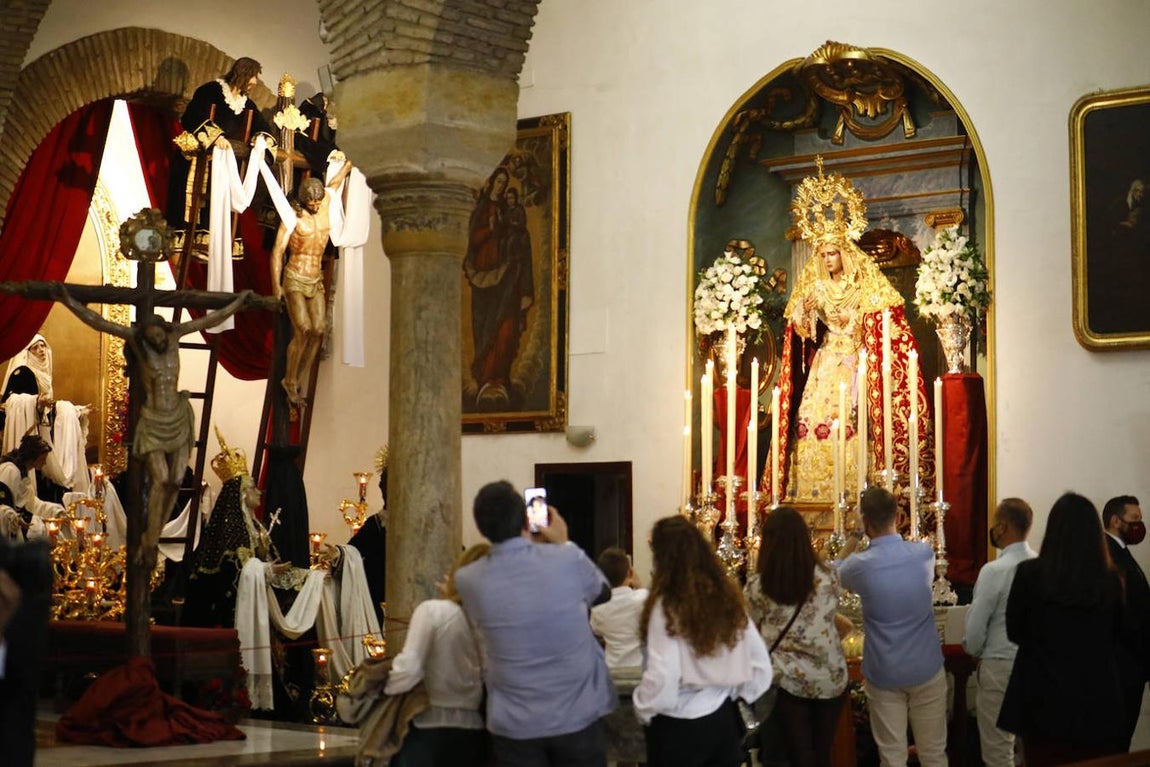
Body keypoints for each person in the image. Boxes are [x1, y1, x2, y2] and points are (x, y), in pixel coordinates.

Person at [55, 286, 253, 563]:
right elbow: (98, 321)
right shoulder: (138, 343)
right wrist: (67, 300)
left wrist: (238, 302)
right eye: (151, 336)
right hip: (153, 420)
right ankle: (151, 538)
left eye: (159, 333)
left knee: (174, 480)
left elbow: (207, 320)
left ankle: (154, 534)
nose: (157, 338)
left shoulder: (175, 337)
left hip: (179, 416)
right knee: (162, 477)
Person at [775, 162, 930, 502]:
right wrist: (803, 311)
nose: (828, 259)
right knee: (812, 419)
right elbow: (800, 331)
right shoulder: (816, 286)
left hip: (852, 364)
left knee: (849, 423)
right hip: (826, 363)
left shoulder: (863, 286)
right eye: (823, 254)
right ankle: (812, 495)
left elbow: (878, 324)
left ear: (844, 254)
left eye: (833, 253)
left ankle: (850, 490)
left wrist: (858, 350)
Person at [455, 480, 615, 766]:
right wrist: (561, 541)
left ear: (481, 528)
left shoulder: (468, 580)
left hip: (515, 722)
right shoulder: (566, 557)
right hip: (576, 713)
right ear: (525, 518)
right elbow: (602, 592)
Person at [632, 515, 772, 767]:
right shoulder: (728, 599)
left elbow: (663, 675)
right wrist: (735, 695)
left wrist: (643, 707)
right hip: (721, 722)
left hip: (676, 727)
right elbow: (761, 666)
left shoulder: (666, 606)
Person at [998, 492, 1126, 765]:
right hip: (1096, 697)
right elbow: (1117, 635)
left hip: (1041, 696)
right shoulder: (1110, 580)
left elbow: (1014, 631)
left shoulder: (1030, 574)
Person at [836, 486, 946, 767]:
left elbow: (831, 573)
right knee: (933, 753)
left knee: (892, 756)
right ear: (898, 515)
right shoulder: (924, 554)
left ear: (865, 520)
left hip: (884, 670)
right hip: (926, 666)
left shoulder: (860, 566)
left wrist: (855, 536)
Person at [745, 506, 848, 767]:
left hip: (786, 680)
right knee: (821, 754)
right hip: (829, 677)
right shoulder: (829, 578)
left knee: (795, 756)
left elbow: (752, 634)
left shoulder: (759, 586)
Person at [382, 543, 490, 766]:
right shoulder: (492, 622)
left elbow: (408, 671)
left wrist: (378, 690)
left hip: (429, 729)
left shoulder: (433, 611)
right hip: (474, 732)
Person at [270, 163, 353, 406]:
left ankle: (295, 380)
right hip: (295, 276)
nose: (316, 207)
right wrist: (276, 285)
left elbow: (337, 180)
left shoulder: (327, 200)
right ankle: (289, 378)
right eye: (312, 204)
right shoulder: (292, 217)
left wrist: (349, 162)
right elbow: (277, 252)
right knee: (304, 328)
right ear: (304, 201)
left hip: (315, 278)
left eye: (318, 202)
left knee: (319, 330)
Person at [962, 498, 1036, 767]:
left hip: (1000, 666)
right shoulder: (1041, 564)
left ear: (1002, 527)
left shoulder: (994, 570)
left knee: (998, 752)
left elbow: (976, 627)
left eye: (994, 524)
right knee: (1031, 749)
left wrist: (974, 650)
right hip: (1035, 666)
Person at [168, 57, 274, 237]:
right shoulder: (210, 91)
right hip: (199, 163)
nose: (255, 82)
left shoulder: (247, 105)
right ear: (242, 74)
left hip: (225, 169)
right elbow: (192, 115)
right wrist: (215, 137)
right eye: (253, 76)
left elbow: (263, 127)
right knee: (190, 215)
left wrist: (260, 140)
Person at [183, 430, 274, 628]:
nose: (258, 492)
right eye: (252, 487)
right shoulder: (232, 530)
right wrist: (266, 569)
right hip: (232, 612)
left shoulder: (256, 526)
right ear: (241, 494)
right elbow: (233, 573)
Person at [464, 168, 535, 410]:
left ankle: (499, 378)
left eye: (505, 183)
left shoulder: (507, 210)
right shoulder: (481, 209)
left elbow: (519, 243)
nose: (501, 186)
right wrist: (490, 230)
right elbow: (471, 240)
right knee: (485, 328)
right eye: (499, 181)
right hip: (483, 279)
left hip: (507, 280)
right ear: (492, 182)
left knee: (506, 328)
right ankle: (485, 377)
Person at [1101, 494, 1150, 752]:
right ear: (1115, 520)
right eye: (1134, 520)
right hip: (1122, 664)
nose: (1139, 526)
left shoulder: (1121, 552)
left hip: (1131, 663)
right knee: (1116, 742)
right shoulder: (1107, 554)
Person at [590, 547, 648, 669]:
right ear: (630, 573)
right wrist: (639, 585)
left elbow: (596, 630)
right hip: (640, 669)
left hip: (612, 670)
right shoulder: (643, 598)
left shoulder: (598, 609)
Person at [0, 435, 61, 540]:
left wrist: (53, 509)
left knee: (54, 528)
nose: (45, 463)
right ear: (33, 457)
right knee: (48, 532)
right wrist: (15, 518)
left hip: (22, 517)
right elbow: (4, 501)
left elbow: (30, 502)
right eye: (43, 459)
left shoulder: (24, 471)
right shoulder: (11, 471)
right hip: (13, 522)